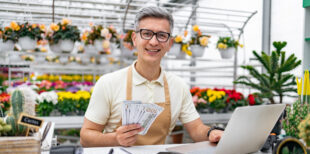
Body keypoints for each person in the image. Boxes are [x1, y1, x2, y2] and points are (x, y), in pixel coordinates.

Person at [80, 6, 224, 147]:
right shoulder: (108, 83)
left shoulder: (178, 86)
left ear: (169, 44)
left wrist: (212, 132)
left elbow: (197, 129)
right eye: (147, 33)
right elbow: (86, 137)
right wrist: (115, 139)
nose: (154, 42)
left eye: (162, 35)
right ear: (134, 39)